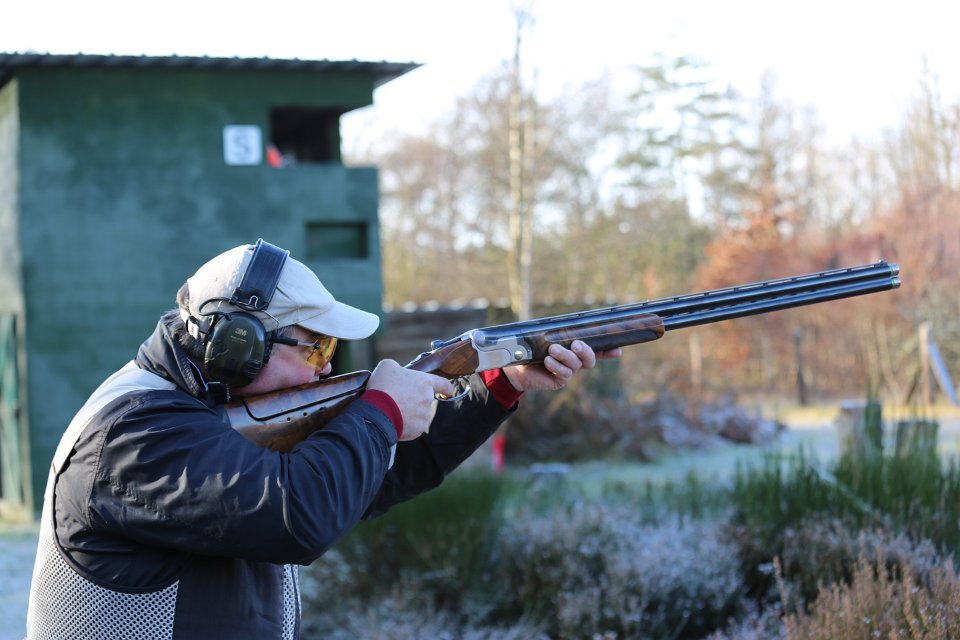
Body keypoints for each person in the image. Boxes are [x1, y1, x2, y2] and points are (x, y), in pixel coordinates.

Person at [25, 240, 616, 639]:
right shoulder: (133, 435)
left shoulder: (215, 413)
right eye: (315, 347)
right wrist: (380, 410)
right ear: (238, 345)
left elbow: (370, 479)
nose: (326, 368)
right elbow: (300, 512)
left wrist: (500, 385)